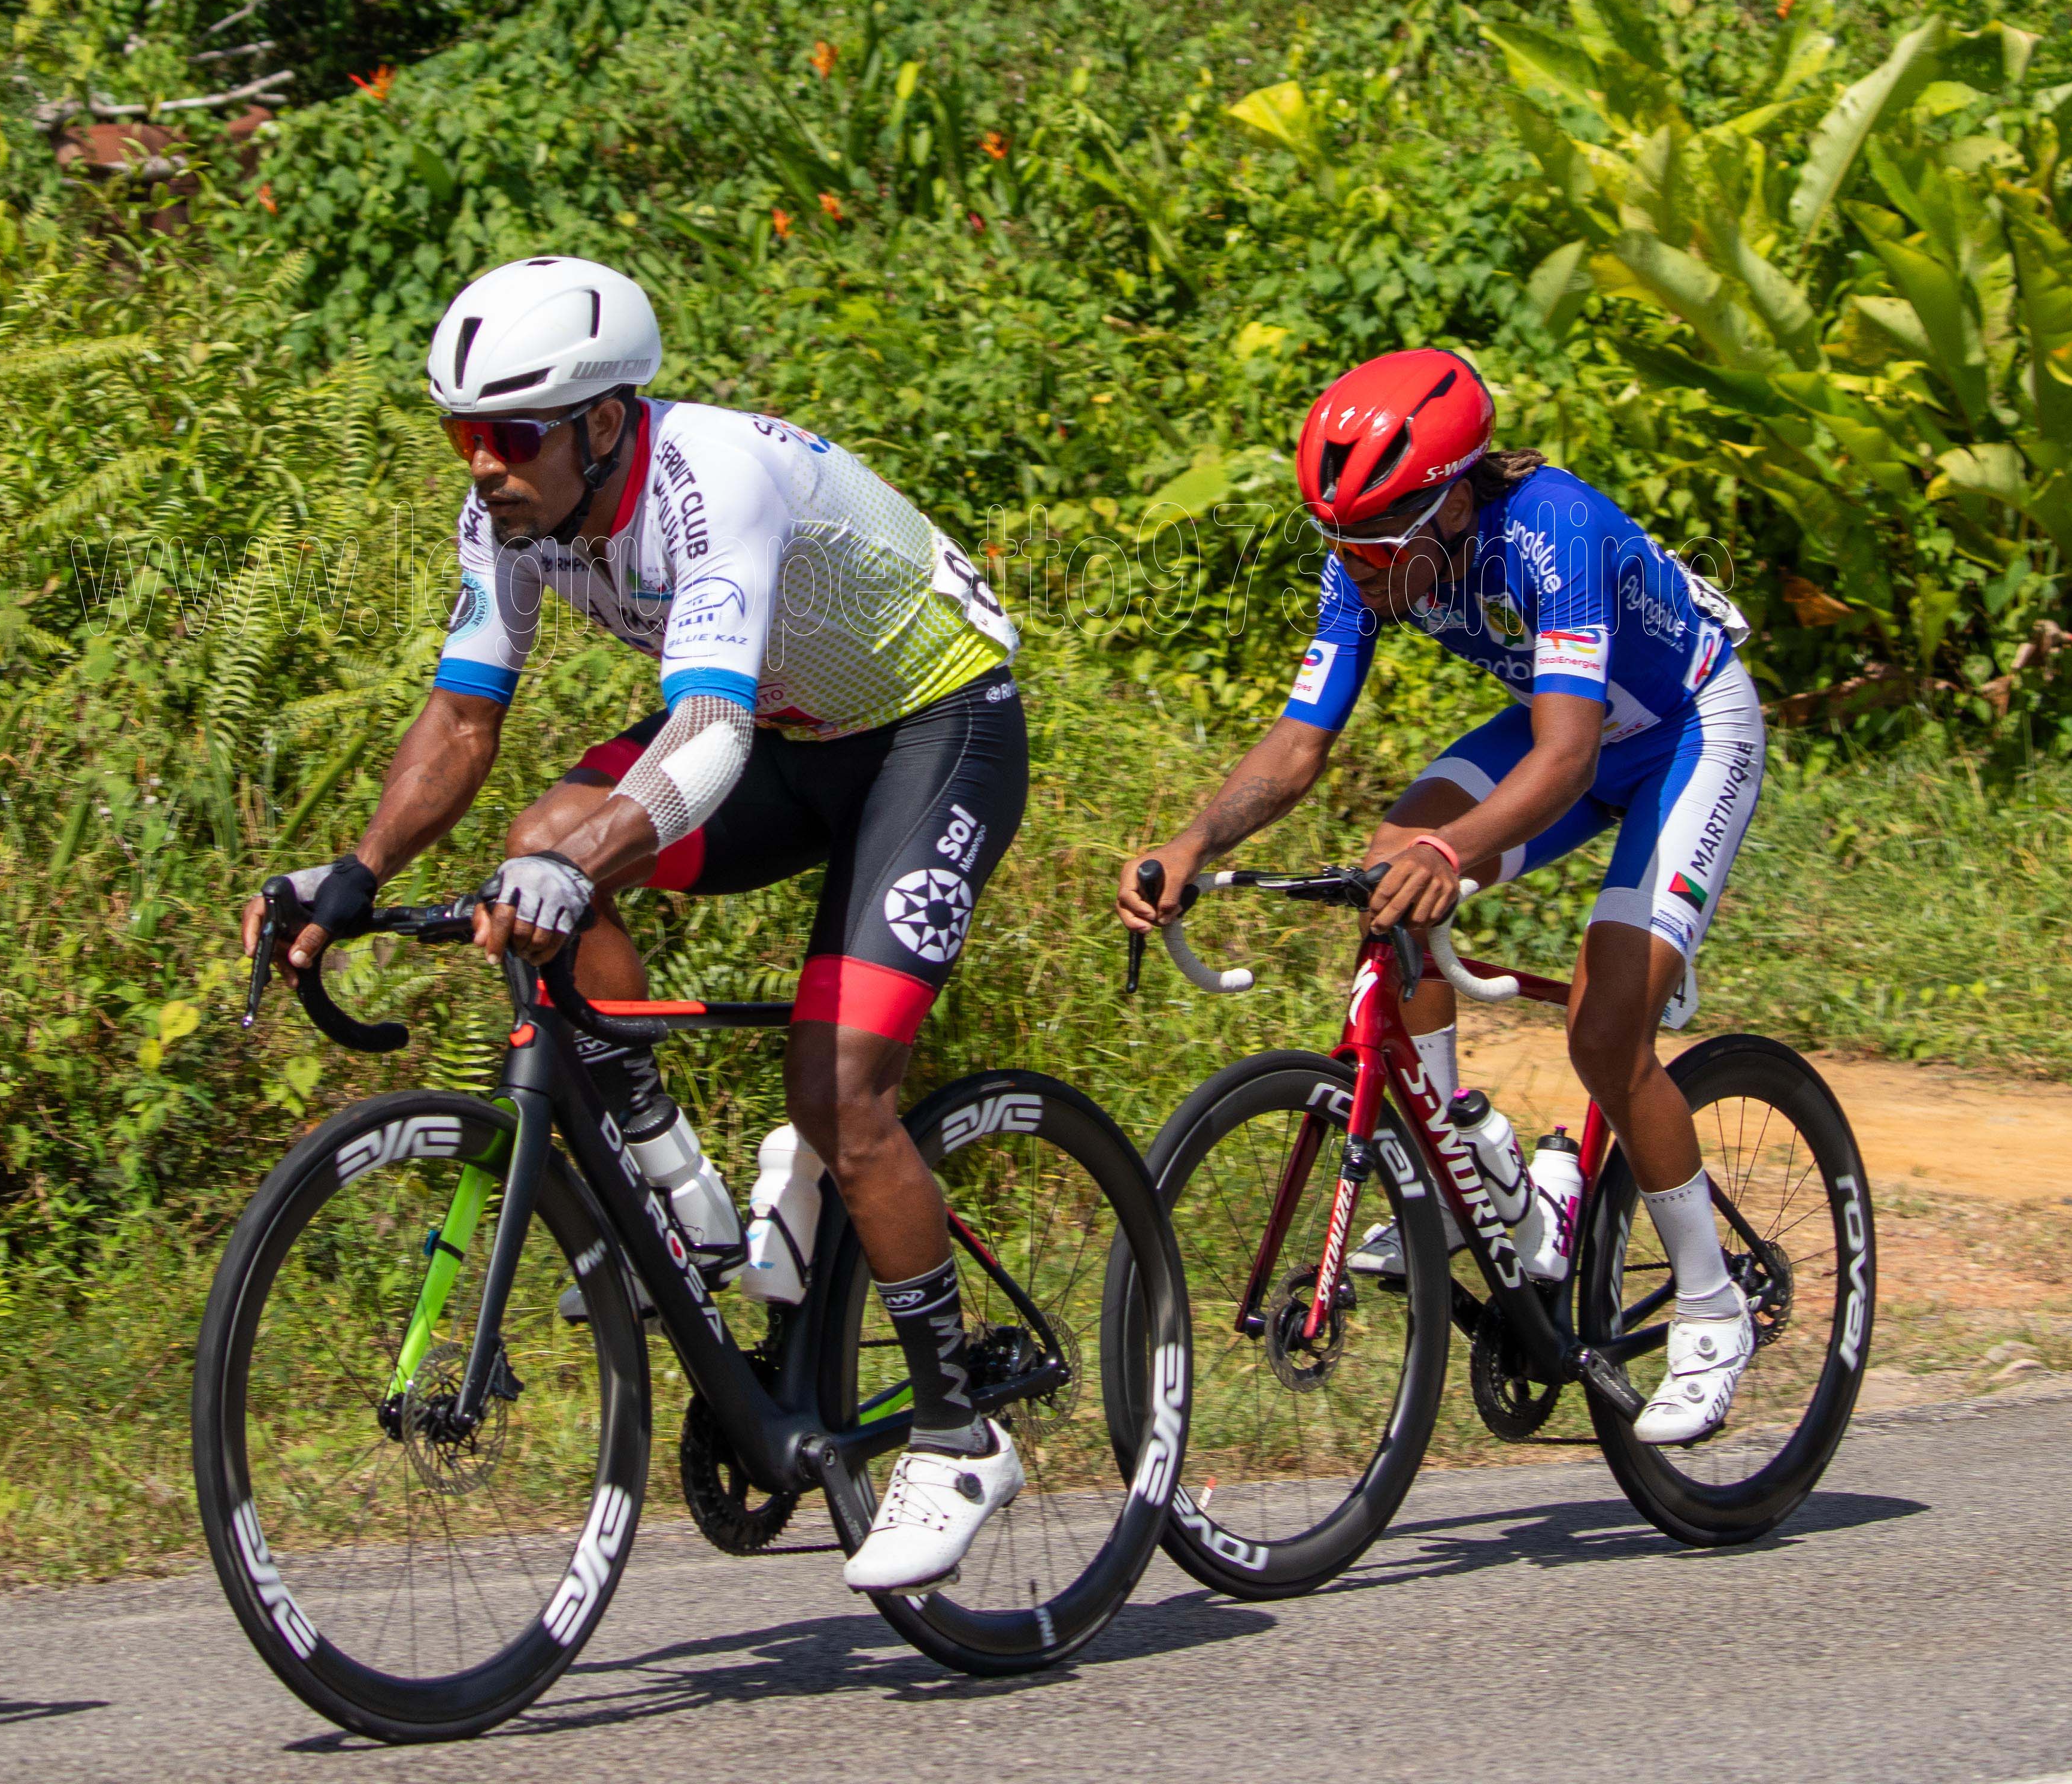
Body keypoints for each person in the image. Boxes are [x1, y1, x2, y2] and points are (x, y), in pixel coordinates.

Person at [246, 256, 1029, 1591]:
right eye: (463, 435)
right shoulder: (505, 515)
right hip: (791, 730)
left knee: (841, 1088)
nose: (485, 465)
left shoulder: (708, 481)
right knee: (544, 838)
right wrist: (356, 867)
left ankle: (958, 1423)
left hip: (933, 726)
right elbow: (462, 716)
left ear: (605, 422)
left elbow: (708, 726)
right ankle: (684, 1185)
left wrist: (593, 859)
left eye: (513, 435)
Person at [1116, 349, 1766, 1444]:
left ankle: (1713, 1307)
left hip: (1686, 734)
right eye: (1338, 544)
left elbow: (1561, 760)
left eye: (1373, 548)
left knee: (1609, 1035)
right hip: (1574, 729)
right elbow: (1299, 740)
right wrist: (1193, 839)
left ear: (1455, 501)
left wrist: (1453, 850)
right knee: (1391, 868)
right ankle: (1472, 1168)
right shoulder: (1371, 555)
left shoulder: (1554, 530)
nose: (1355, 571)